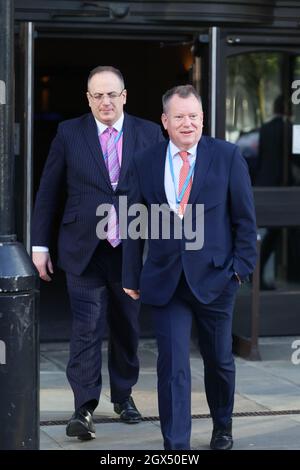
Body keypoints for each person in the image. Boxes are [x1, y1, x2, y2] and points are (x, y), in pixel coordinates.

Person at [31, 65, 164, 441]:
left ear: (124, 96)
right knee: (86, 329)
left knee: (126, 328)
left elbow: (160, 193)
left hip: (129, 250)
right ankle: (83, 407)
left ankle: (123, 397)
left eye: (111, 94)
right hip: (83, 248)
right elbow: (48, 191)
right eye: (97, 95)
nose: (105, 101)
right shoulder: (69, 132)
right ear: (88, 99)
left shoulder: (149, 133)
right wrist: (40, 245)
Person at [122, 85, 257, 450]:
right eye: (179, 117)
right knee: (172, 367)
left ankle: (223, 427)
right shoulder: (145, 161)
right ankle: (176, 445)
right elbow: (133, 222)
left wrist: (239, 270)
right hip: (166, 281)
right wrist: (130, 276)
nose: (188, 123)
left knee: (219, 361)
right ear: (165, 121)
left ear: (202, 119)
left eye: (194, 116)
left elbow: (245, 220)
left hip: (216, 278)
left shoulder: (227, 156)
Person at [255, 95, 292, 289]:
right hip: (281, 188)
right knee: (274, 233)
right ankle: (259, 275)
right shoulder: (288, 129)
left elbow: (261, 158)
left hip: (264, 184)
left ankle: (257, 275)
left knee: (265, 232)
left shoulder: (266, 128)